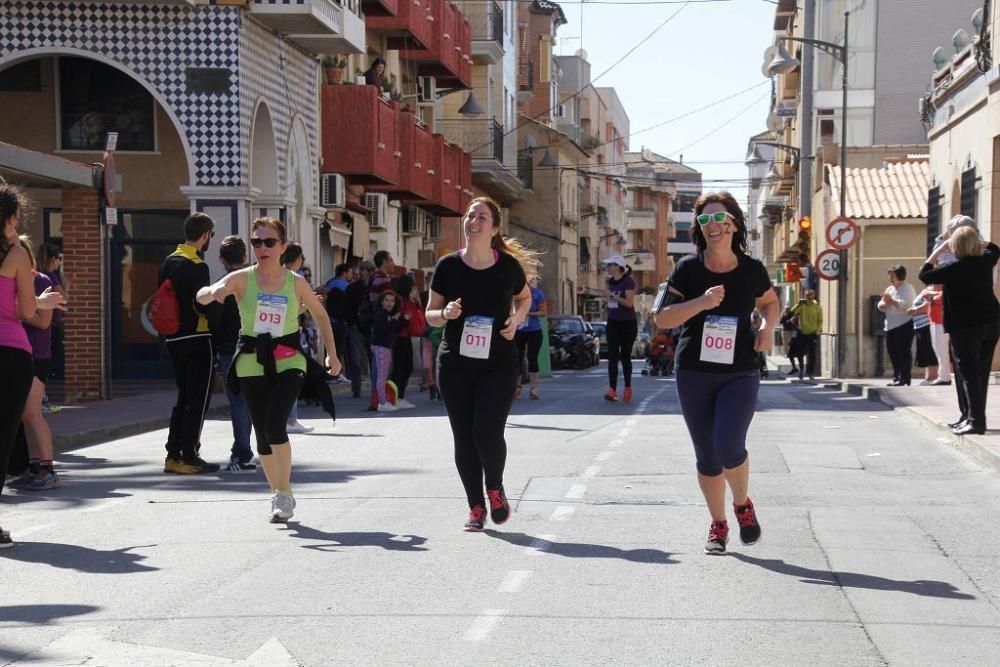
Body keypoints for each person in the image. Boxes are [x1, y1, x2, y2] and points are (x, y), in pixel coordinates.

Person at [654, 191, 777, 555]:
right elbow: (662, 318)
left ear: (734, 223)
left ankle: (742, 505)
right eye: (705, 220)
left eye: (719, 218)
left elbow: (770, 301)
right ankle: (718, 524)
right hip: (693, 370)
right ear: (699, 228)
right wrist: (703, 302)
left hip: (740, 370)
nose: (713, 226)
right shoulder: (687, 269)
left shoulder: (751, 269)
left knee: (728, 444)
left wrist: (768, 328)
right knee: (707, 455)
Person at [197, 217, 340, 522]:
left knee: (275, 424)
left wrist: (332, 356)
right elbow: (204, 293)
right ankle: (278, 493)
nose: (262, 247)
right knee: (262, 435)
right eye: (257, 242)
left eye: (269, 242)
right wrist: (212, 294)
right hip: (250, 359)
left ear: (282, 247)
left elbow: (321, 316)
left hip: (289, 358)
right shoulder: (242, 278)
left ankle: (284, 492)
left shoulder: (295, 282)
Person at [426, 196, 535, 532]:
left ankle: (495, 487)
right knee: (464, 436)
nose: (473, 221)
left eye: (481, 217)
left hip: (498, 362)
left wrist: (516, 319)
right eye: (470, 215)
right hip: (456, 363)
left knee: (486, 432)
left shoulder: (507, 267)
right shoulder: (447, 266)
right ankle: (476, 506)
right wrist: (444, 314)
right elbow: (429, 314)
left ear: (495, 227)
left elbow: (525, 297)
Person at [0, 185, 66, 548]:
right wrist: (43, 300)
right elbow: (27, 311)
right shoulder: (15, 254)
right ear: (9, 218)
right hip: (9, 352)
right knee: (3, 436)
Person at [919, 225, 1000, 435]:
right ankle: (974, 418)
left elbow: (924, 274)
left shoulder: (954, 269)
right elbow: (995, 248)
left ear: (955, 246)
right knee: (980, 372)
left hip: (965, 326)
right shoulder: (985, 261)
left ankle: (976, 422)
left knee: (968, 374)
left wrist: (939, 250)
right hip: (991, 322)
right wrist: (974, 241)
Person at [158, 212, 220, 474]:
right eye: (210, 236)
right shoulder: (197, 266)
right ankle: (188, 455)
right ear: (205, 235)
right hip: (197, 337)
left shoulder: (168, 261)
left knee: (183, 396)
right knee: (198, 398)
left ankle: (173, 454)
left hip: (173, 337)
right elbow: (200, 303)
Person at [10, 236, 60, 489]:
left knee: (31, 412)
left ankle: (48, 469)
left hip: (38, 355)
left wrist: (15, 311)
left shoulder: (42, 280)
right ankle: (34, 465)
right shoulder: (11, 283)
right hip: (19, 352)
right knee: (23, 414)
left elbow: (43, 321)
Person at [216, 236, 255, 473]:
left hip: (230, 350)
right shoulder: (256, 283)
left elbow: (214, 321)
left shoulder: (221, 286)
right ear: (245, 257)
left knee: (239, 404)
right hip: (256, 348)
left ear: (221, 259)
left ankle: (241, 453)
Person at [281, 243, 313, 434]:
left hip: (279, 332)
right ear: (298, 258)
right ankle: (290, 420)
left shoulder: (276, 276)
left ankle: (290, 418)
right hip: (288, 333)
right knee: (291, 377)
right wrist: (309, 304)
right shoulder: (293, 279)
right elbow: (292, 308)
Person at [602, 255, 637, 402]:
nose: (608, 268)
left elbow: (629, 303)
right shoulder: (609, 281)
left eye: (610, 265)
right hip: (613, 322)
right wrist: (606, 301)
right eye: (608, 265)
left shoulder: (628, 281)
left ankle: (628, 387)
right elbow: (609, 299)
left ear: (618, 267)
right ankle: (612, 389)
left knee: (625, 356)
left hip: (627, 323)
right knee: (612, 357)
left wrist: (612, 296)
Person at [877, 265, 916, 387]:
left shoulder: (907, 288)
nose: (890, 278)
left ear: (900, 276)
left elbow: (907, 305)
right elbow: (881, 305)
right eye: (890, 275)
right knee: (892, 352)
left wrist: (891, 301)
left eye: (892, 276)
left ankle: (904, 378)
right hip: (890, 325)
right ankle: (896, 376)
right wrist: (884, 304)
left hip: (904, 324)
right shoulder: (890, 289)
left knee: (903, 352)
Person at [36, 242, 65, 398]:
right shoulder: (48, 278)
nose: (59, 262)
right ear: (53, 259)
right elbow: (63, 298)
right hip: (50, 326)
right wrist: (65, 282)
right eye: (58, 259)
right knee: (45, 364)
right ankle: (42, 398)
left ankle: (42, 397)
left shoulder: (39, 276)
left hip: (48, 325)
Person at [389, 273, 420, 410]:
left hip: (405, 336)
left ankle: (399, 396)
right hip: (399, 337)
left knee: (406, 367)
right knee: (400, 368)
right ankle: (395, 397)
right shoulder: (400, 300)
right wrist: (405, 319)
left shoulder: (407, 300)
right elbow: (398, 321)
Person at [343, 260, 373, 398]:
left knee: (375, 359)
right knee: (356, 360)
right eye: (366, 270)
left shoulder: (376, 287)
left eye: (370, 270)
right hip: (356, 328)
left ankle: (376, 389)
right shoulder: (353, 288)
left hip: (372, 327)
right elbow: (346, 307)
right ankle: (356, 389)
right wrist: (352, 324)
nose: (367, 273)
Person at [371, 290, 404, 413]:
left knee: (383, 375)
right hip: (381, 347)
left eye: (392, 301)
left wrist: (399, 320)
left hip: (385, 347)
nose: (390, 303)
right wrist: (394, 320)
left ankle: (382, 401)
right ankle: (383, 403)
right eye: (387, 300)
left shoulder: (387, 314)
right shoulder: (381, 314)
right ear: (381, 302)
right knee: (382, 375)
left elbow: (393, 331)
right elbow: (383, 330)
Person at [514, 276, 546, 400]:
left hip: (534, 330)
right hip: (519, 330)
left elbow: (543, 312)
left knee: (532, 358)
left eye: (528, 282)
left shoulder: (537, 294)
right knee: (517, 359)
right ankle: (517, 387)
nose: (525, 284)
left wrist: (528, 313)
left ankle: (533, 389)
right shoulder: (515, 293)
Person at [323, 263, 352, 374]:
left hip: (328, 320)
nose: (351, 275)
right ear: (344, 273)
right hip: (340, 321)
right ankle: (337, 374)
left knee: (330, 349)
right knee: (339, 349)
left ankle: (330, 372)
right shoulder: (346, 286)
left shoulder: (329, 283)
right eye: (350, 273)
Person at [908, 288, 939, 385]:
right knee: (926, 351)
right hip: (920, 326)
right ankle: (929, 376)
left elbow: (928, 306)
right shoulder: (926, 290)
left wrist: (914, 310)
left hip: (926, 325)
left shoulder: (931, 289)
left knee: (930, 351)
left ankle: (933, 376)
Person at [790, 289, 821, 381]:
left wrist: (817, 331)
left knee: (812, 355)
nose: (808, 296)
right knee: (800, 353)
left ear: (814, 295)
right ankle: (801, 370)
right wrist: (798, 304)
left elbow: (820, 320)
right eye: (807, 295)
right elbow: (792, 312)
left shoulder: (817, 307)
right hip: (802, 333)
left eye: (810, 294)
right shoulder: (802, 306)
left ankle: (810, 372)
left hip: (812, 333)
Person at [779, 306, 798, 375]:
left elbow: (795, 317)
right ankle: (788, 354)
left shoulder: (792, 314)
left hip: (791, 331)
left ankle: (795, 367)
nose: (787, 310)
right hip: (785, 331)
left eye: (788, 309)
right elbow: (781, 322)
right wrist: (785, 317)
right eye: (786, 309)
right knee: (785, 343)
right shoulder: (784, 315)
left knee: (791, 344)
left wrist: (791, 321)